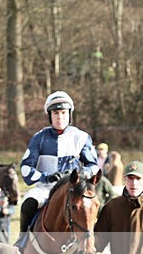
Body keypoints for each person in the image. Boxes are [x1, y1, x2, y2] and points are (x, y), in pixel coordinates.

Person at [19, 91, 99, 238]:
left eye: (63, 112)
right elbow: (25, 169)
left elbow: (94, 166)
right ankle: (22, 240)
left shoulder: (82, 137)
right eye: (56, 113)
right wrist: (46, 177)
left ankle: (94, 241)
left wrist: (80, 174)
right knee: (28, 204)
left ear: (70, 114)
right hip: (45, 189)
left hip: (73, 190)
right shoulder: (39, 138)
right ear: (50, 116)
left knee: (91, 206)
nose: (60, 117)